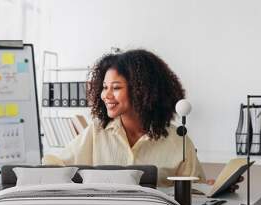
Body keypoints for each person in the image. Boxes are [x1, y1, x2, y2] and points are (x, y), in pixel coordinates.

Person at [43, 49, 242, 188]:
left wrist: (210, 188)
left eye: (116, 88)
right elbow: (58, 167)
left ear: (142, 90)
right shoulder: (97, 132)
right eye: (104, 87)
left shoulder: (178, 140)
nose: (106, 95)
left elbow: (192, 189)